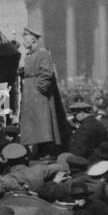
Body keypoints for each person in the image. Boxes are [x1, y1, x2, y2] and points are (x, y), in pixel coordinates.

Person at [17, 28, 69, 157]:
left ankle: (46, 150)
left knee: (42, 123)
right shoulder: (29, 55)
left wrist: (38, 89)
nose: (23, 42)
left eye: (25, 39)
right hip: (30, 93)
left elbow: (47, 73)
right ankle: (38, 149)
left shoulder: (43, 54)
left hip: (38, 95)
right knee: (34, 123)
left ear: (33, 39)